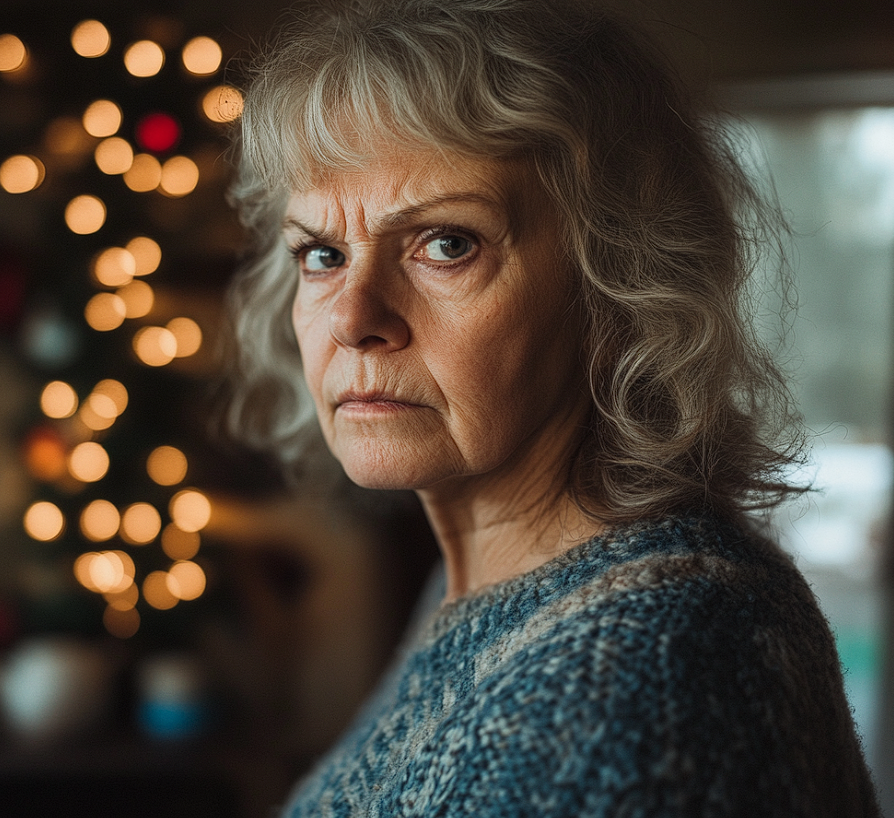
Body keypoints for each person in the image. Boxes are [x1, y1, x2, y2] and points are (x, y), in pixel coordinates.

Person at [226, 0, 881, 814]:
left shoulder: (649, 668)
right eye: (321, 254)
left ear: (618, 284)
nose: (353, 319)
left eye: (447, 243)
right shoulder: (484, 581)